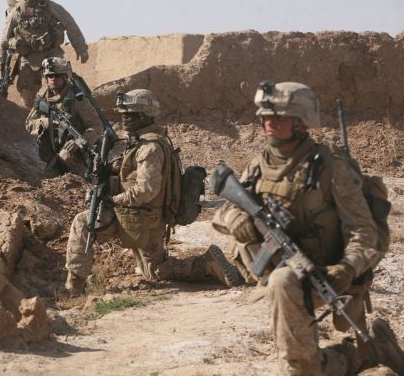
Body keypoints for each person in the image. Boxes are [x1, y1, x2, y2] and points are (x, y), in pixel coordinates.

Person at [212, 81, 404, 375]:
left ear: (302, 122)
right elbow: (228, 207)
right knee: (300, 356)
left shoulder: (331, 168)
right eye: (265, 116)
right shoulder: (258, 165)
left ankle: (364, 352)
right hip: (282, 276)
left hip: (327, 275)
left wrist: (347, 268)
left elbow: (365, 234)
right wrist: (233, 218)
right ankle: (368, 352)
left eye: (279, 116)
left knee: (300, 368)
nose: (269, 123)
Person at [64, 89, 243, 295]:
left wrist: (112, 199)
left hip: (141, 216)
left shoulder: (149, 148)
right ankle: (207, 263)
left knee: (82, 222)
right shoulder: (147, 141)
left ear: (144, 116)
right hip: (150, 216)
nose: (124, 118)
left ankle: (73, 289)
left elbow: (146, 190)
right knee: (155, 271)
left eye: (130, 114)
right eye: (123, 113)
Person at [0, 0, 89, 108]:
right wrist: (1, 66)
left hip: (51, 52)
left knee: (59, 82)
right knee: (26, 89)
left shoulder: (50, 7)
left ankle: (65, 111)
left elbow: (70, 25)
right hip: (29, 56)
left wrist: (81, 48)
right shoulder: (17, 11)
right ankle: (30, 117)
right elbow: (4, 40)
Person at [25, 57, 103, 177]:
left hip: (78, 150)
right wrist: (45, 122)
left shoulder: (77, 100)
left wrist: (79, 142)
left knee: (65, 156)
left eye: (57, 76)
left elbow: (97, 126)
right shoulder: (43, 98)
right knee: (47, 178)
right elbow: (29, 123)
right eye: (50, 76)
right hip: (54, 150)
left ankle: (87, 180)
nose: (53, 79)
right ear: (46, 78)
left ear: (65, 77)